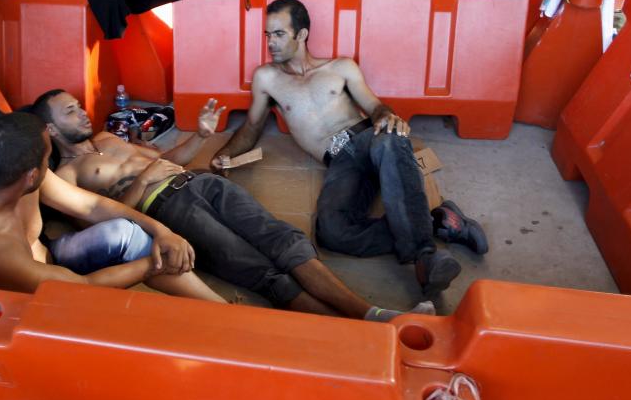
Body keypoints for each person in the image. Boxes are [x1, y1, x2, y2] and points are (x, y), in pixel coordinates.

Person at [31, 89, 435, 321]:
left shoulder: (108, 138)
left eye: (79, 105)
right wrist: (142, 181)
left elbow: (168, 159)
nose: (83, 112)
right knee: (261, 272)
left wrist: (201, 136)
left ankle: (376, 317)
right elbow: (110, 225)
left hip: (200, 181)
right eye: (71, 111)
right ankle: (351, 333)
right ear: (51, 128)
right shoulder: (67, 177)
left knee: (283, 240)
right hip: (167, 210)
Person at [211, 0, 488, 299]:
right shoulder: (267, 78)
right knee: (332, 233)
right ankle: (438, 221)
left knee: (390, 139)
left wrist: (385, 116)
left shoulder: (340, 67)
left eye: (279, 34)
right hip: (340, 161)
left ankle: (425, 257)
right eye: (267, 35)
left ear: (301, 35)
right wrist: (224, 154)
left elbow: (374, 106)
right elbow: (251, 128)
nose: (270, 43)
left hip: (370, 138)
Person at [0, 111, 225, 303]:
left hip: (50, 262)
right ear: (31, 175)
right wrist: (153, 263)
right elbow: (83, 288)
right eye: (47, 158)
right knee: (150, 258)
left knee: (131, 234)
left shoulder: (5, 173)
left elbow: (91, 206)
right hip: (32, 308)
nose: (50, 163)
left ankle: (222, 309)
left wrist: (162, 232)